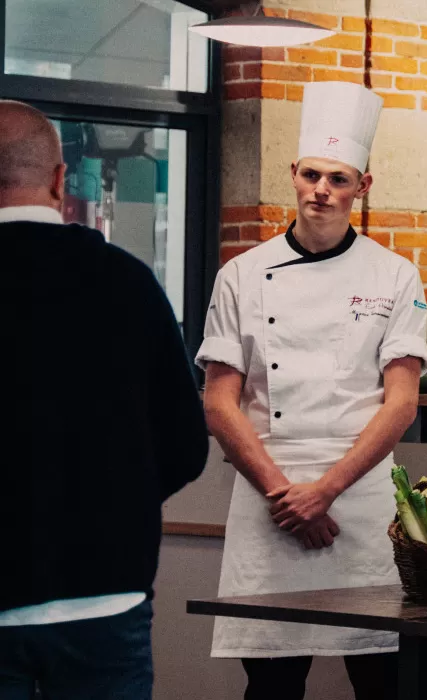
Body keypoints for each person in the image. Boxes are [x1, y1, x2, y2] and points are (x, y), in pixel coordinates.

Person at [198, 82, 427, 700]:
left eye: (339, 178)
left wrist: (324, 491)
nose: (322, 190)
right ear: (292, 174)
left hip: (358, 504)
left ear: (363, 187)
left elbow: (401, 402)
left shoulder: (394, 274)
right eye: (311, 174)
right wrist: (285, 495)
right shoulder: (241, 274)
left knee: (381, 679)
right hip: (267, 498)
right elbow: (219, 401)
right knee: (271, 684)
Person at [0, 100, 208, 700]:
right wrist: (115, 502)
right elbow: (185, 446)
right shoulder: (128, 281)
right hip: (107, 589)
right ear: (62, 180)